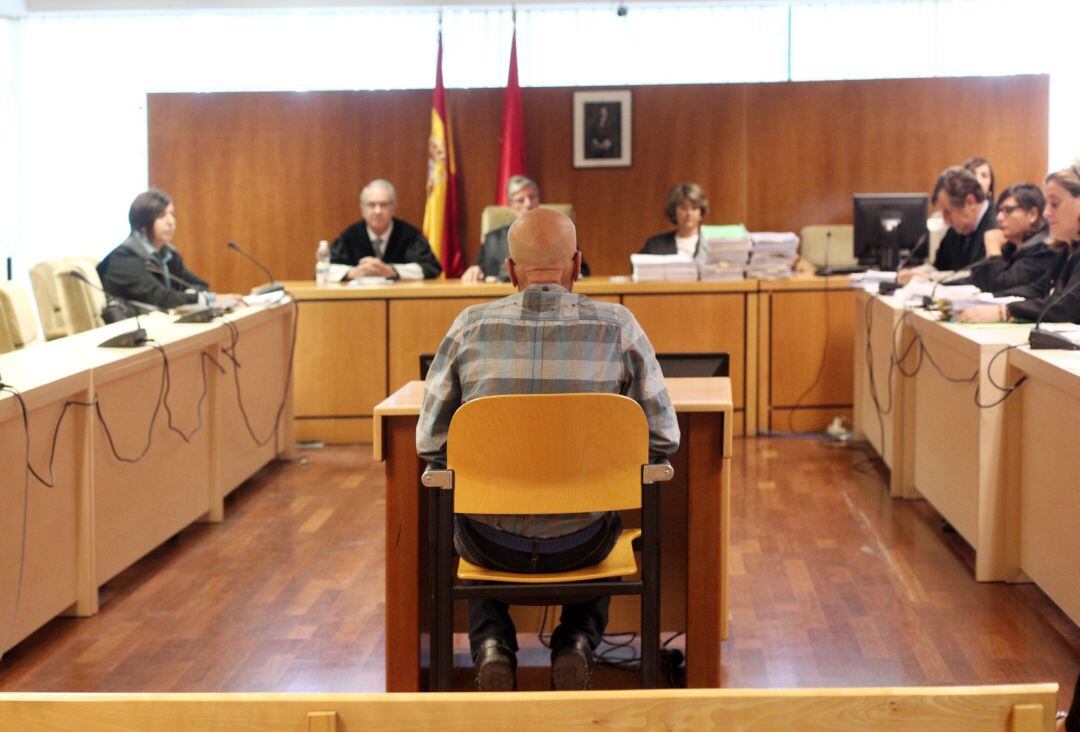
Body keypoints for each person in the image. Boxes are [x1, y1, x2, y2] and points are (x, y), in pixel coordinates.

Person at [417, 208, 680, 691]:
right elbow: (665, 438)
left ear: (511, 270)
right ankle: (577, 641)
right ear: (577, 266)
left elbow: (430, 443)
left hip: (490, 546)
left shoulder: (469, 327)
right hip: (583, 543)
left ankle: (493, 646)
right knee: (602, 510)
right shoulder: (619, 326)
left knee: (472, 508)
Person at [959, 165, 1080, 323]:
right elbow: (1038, 289)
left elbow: (1067, 308)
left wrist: (1006, 311)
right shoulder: (1066, 249)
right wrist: (988, 300)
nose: (1046, 213)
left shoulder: (1045, 251)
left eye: (1055, 204)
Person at [98, 189, 237, 310]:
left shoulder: (168, 254)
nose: (170, 221)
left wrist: (192, 296)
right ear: (142, 223)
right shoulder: (123, 260)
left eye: (172, 214)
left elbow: (200, 285)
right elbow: (162, 298)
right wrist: (207, 299)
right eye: (161, 216)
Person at [461, 176, 589, 283]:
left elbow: (583, 271)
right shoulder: (492, 239)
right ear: (510, 206)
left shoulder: (560, 234)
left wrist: (575, 274)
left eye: (532, 197)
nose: (528, 204)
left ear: (538, 200)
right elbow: (478, 270)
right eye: (521, 200)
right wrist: (474, 270)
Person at [898, 166, 999, 284]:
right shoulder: (956, 229)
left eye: (947, 212)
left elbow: (978, 277)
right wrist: (912, 273)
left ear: (970, 202)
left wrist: (931, 278)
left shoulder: (997, 225)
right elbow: (938, 267)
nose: (946, 221)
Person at [328, 179, 441, 281]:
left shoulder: (410, 235)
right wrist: (352, 273)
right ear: (362, 209)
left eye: (383, 205)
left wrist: (392, 270)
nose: (377, 211)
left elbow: (431, 268)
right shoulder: (349, 236)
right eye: (371, 205)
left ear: (393, 207)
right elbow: (325, 270)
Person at [968, 183, 1055, 294]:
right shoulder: (1011, 247)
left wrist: (994, 250)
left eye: (1008, 210)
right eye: (999, 211)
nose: (999, 218)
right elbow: (977, 280)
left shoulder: (1043, 250)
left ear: (1032, 214)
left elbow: (999, 288)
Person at [639, 182, 709, 257]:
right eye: (684, 208)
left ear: (701, 212)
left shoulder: (712, 243)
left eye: (694, 208)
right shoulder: (655, 245)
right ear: (673, 211)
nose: (689, 213)